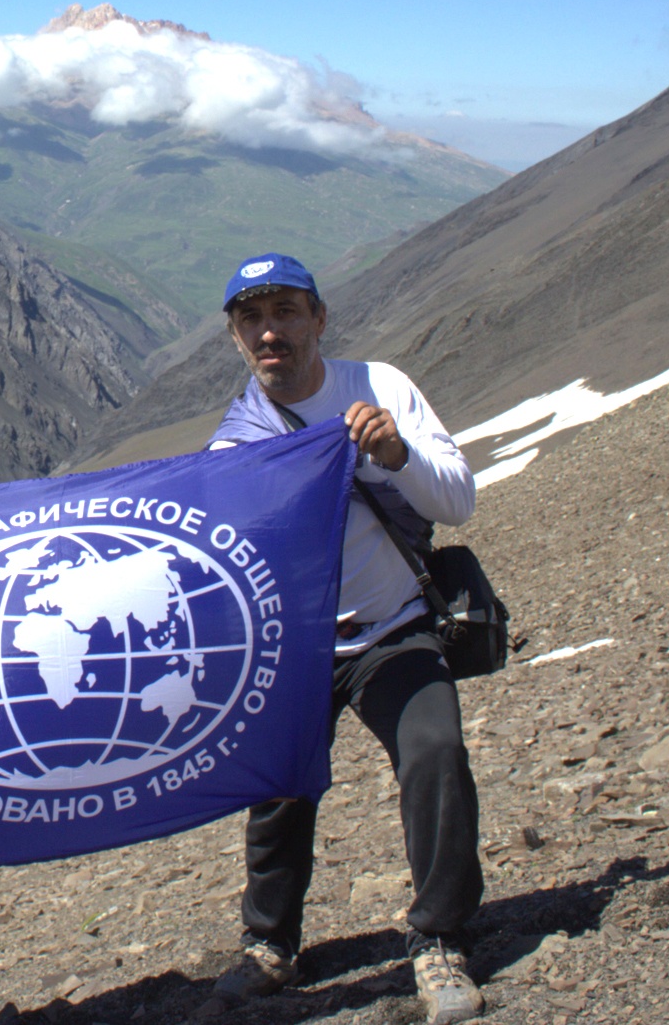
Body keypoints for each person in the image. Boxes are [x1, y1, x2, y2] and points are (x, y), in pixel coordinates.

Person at [203, 254, 485, 1025]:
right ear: (235, 337)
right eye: (252, 319)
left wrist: (396, 454)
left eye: (287, 313)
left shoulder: (381, 388)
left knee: (435, 753)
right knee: (278, 792)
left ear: (319, 318)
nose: (271, 332)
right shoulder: (234, 448)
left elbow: (457, 499)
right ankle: (271, 944)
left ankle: (439, 935)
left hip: (393, 627)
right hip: (294, 650)